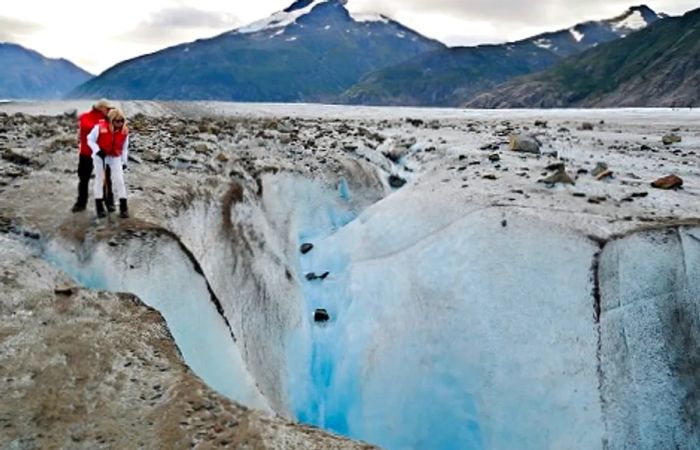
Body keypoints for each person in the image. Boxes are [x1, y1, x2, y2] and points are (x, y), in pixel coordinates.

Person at [71, 99, 114, 213]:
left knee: (105, 179)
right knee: (84, 179)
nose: (110, 111)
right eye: (108, 109)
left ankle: (108, 203)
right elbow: (88, 127)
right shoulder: (86, 117)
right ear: (101, 108)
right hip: (87, 154)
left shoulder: (106, 119)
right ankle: (81, 203)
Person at [87, 108, 130, 218]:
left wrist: (124, 161)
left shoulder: (124, 131)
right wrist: (97, 150)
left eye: (122, 120)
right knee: (100, 180)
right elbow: (89, 139)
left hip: (115, 157)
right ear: (111, 120)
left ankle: (124, 208)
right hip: (100, 156)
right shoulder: (99, 128)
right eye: (117, 121)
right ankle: (99, 206)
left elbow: (125, 148)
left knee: (119, 180)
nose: (120, 123)